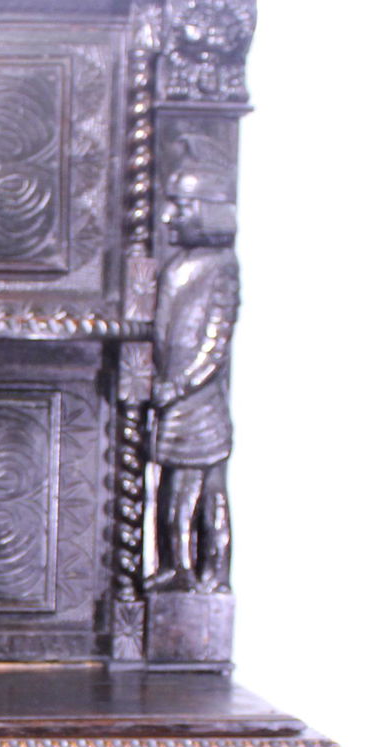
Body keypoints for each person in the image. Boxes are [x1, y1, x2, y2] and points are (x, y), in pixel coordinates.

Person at [147, 142, 239, 593]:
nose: (169, 217)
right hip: (176, 397)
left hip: (195, 402)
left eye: (180, 207)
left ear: (205, 210)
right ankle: (178, 568)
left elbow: (215, 343)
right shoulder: (183, 263)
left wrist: (179, 385)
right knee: (176, 490)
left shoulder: (219, 266)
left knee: (201, 492)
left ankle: (202, 576)